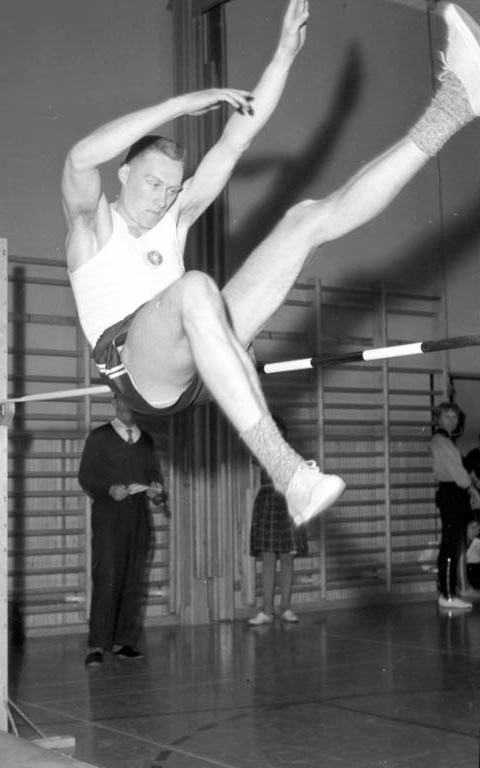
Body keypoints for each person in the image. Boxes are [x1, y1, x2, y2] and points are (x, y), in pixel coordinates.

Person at [61, 0, 480, 529]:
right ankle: (289, 474)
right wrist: (181, 103)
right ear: (123, 174)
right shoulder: (92, 227)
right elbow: (79, 158)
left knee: (305, 220)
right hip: (135, 367)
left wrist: (283, 55)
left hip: (197, 353)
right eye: (152, 183)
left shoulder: (175, 217)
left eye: (172, 188)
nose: (164, 198)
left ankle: (455, 104)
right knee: (193, 288)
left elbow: (237, 140)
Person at [78, 395, 164, 667]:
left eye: (132, 402)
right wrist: (108, 488)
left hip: (138, 518)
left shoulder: (146, 440)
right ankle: (97, 645)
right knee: (107, 577)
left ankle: (123, 642)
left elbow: (153, 475)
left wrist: (156, 489)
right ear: (114, 403)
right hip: (108, 518)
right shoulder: (100, 437)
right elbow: (86, 476)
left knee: (133, 579)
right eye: (122, 401)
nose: (127, 406)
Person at [247, 416, 308, 625]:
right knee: (268, 559)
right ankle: (267, 610)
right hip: (268, 501)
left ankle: (286, 608)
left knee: (287, 558)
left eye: (278, 432)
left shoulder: (292, 453)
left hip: (288, 502)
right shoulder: (260, 452)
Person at [429, 401, 480, 610]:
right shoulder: (441, 441)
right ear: (438, 419)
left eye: (454, 417)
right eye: (447, 416)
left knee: (453, 544)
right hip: (451, 494)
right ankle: (447, 595)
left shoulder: (445, 441)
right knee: (451, 545)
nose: (451, 420)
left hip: (453, 494)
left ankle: (449, 592)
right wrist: (472, 489)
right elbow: (456, 472)